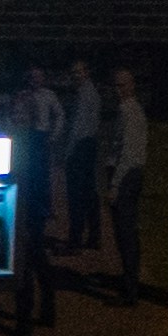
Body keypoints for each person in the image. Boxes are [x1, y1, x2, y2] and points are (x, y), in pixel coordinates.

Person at [103, 64, 154, 300]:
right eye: (117, 85)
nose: (118, 90)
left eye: (123, 85)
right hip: (129, 174)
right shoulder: (130, 110)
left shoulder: (130, 112)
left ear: (132, 86)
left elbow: (129, 153)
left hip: (126, 176)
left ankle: (131, 287)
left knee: (126, 233)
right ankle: (130, 280)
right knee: (126, 232)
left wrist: (115, 184)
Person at [59, 60, 107, 255]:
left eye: (79, 72)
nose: (76, 76)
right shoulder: (91, 93)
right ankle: (94, 235)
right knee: (89, 193)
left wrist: (68, 152)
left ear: (86, 72)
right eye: (74, 73)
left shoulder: (85, 95)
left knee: (76, 195)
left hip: (81, 147)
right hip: (89, 145)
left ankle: (76, 238)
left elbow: (78, 127)